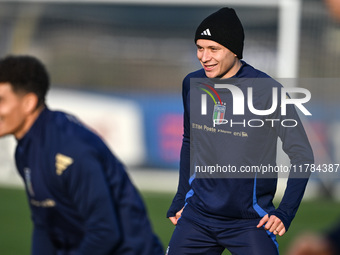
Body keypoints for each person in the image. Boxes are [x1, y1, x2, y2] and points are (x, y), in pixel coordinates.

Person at [166, 7, 314, 255]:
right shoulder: (192, 84)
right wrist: (181, 197)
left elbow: (302, 154)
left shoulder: (267, 91)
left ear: (234, 50)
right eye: (200, 48)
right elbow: (190, 142)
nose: (204, 56)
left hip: (250, 223)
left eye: (213, 49)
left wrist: (285, 212)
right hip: (197, 218)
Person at [0, 55, 163, 255]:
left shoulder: (70, 150)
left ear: (28, 103)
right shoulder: (25, 149)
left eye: (1, 100)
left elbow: (105, 233)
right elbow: (44, 225)